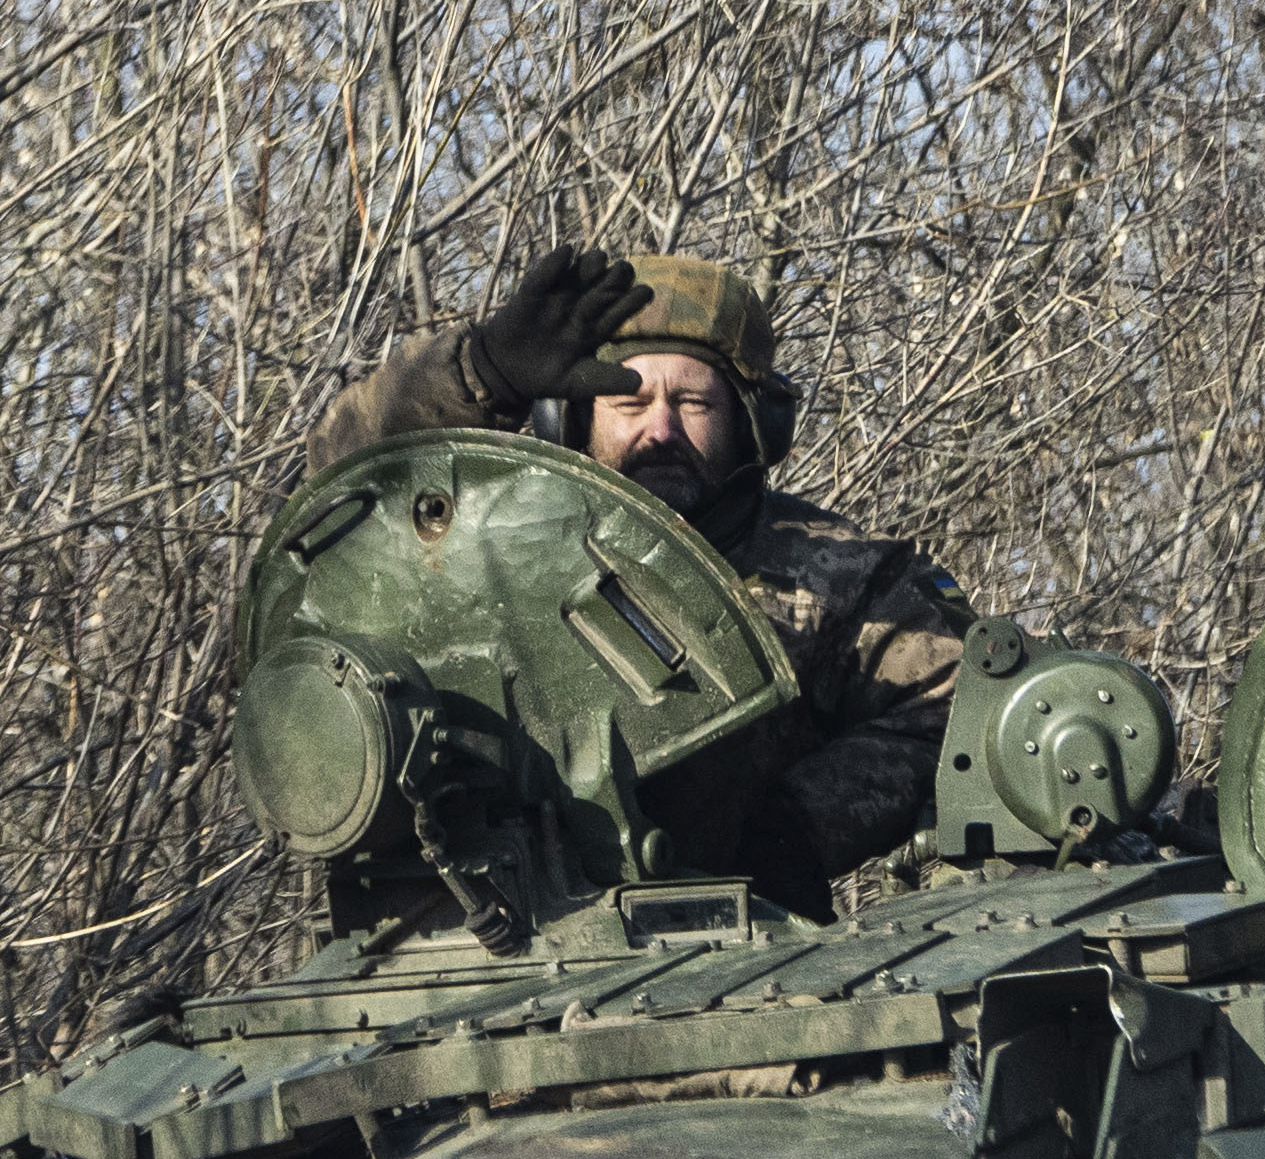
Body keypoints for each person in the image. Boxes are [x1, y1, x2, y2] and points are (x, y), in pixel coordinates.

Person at [304, 247, 978, 901]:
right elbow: (337, 490)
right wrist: (482, 374)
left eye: (693, 403)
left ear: (751, 425)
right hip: (472, 924)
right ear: (570, 416)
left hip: (734, 936)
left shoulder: (839, 574)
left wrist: (798, 823)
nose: (661, 429)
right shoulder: (483, 536)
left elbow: (963, 705)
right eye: (628, 401)